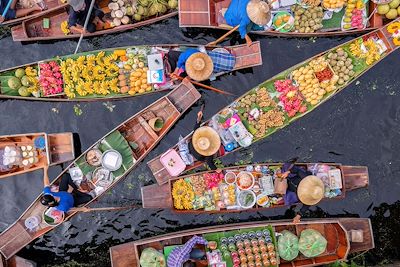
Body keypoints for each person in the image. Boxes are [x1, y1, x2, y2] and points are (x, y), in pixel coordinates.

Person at [187, 104, 221, 170]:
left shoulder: (197, 138)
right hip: (198, 156)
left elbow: (196, 127)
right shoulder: (208, 152)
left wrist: (198, 118)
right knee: (212, 155)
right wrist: (216, 169)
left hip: (190, 146)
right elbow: (209, 162)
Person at [170, 49, 236, 82]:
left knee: (181, 77)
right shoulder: (192, 53)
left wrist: (188, 78)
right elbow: (182, 58)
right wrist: (177, 69)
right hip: (229, 60)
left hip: (226, 64)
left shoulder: (205, 71)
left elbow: (195, 75)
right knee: (172, 54)